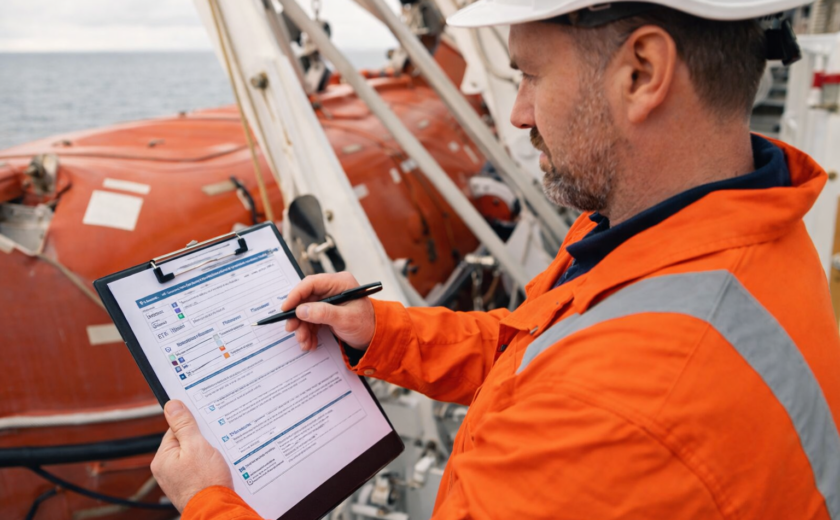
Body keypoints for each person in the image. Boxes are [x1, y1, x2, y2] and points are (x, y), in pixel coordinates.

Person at [151, 0, 840, 518]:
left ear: (642, 72)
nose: (517, 113)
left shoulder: (613, 412)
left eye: (531, 75)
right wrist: (383, 332)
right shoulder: (723, 231)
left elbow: (584, 389)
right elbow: (536, 350)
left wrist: (210, 500)